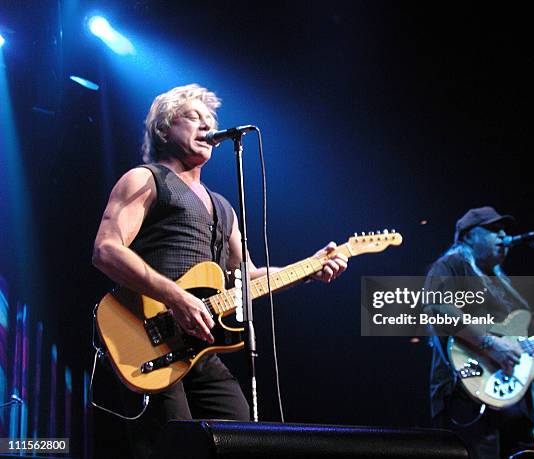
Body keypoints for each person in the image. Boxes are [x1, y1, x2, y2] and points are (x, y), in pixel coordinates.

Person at [92, 84, 348, 458]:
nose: (207, 125)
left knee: (241, 438)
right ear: (164, 129)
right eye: (193, 117)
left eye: (210, 120)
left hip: (199, 345)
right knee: (172, 446)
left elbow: (248, 276)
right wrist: (175, 297)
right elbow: (106, 250)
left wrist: (309, 268)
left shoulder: (223, 207)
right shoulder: (145, 179)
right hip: (146, 335)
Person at [424, 206, 534, 459]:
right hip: (466, 394)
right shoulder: (451, 266)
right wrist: (491, 344)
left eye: (504, 229)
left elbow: (529, 343)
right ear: (469, 235)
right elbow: (438, 309)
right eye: (494, 229)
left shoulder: (502, 284)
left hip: (511, 395)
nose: (503, 235)